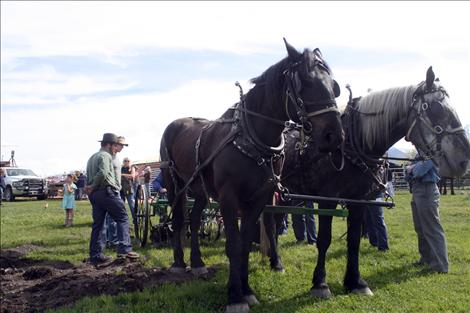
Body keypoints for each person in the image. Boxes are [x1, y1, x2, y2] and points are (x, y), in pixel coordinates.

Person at [85, 133, 139, 265]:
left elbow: (90, 175)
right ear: (109, 145)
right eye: (114, 145)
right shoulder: (105, 156)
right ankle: (124, 249)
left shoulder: (92, 157)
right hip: (106, 192)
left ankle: (95, 255)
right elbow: (103, 173)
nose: (116, 148)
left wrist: (91, 187)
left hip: (95, 195)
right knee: (123, 217)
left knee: (99, 224)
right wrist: (93, 185)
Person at [406, 157, 448, 273]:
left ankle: (440, 265)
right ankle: (426, 259)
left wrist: (412, 168)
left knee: (432, 228)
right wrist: (412, 168)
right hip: (417, 189)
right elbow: (407, 174)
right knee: (420, 228)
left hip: (427, 189)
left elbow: (418, 171)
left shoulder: (432, 154)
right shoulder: (419, 155)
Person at [105, 136, 128, 248]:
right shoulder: (109, 157)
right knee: (114, 216)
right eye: (121, 145)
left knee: (111, 217)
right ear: (114, 145)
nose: (122, 147)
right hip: (113, 189)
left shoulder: (115, 157)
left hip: (116, 189)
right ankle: (113, 241)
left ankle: (111, 240)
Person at [365, 164, 389, 251]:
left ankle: (383, 246)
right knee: (368, 220)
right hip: (367, 195)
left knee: (378, 221)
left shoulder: (378, 167)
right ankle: (374, 242)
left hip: (375, 195)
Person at [121, 157, 137, 227]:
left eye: (128, 161)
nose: (126, 162)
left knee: (132, 206)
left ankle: (136, 220)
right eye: (125, 161)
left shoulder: (131, 168)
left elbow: (132, 176)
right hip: (121, 190)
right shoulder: (120, 168)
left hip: (129, 189)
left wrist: (122, 175)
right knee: (121, 207)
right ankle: (124, 222)